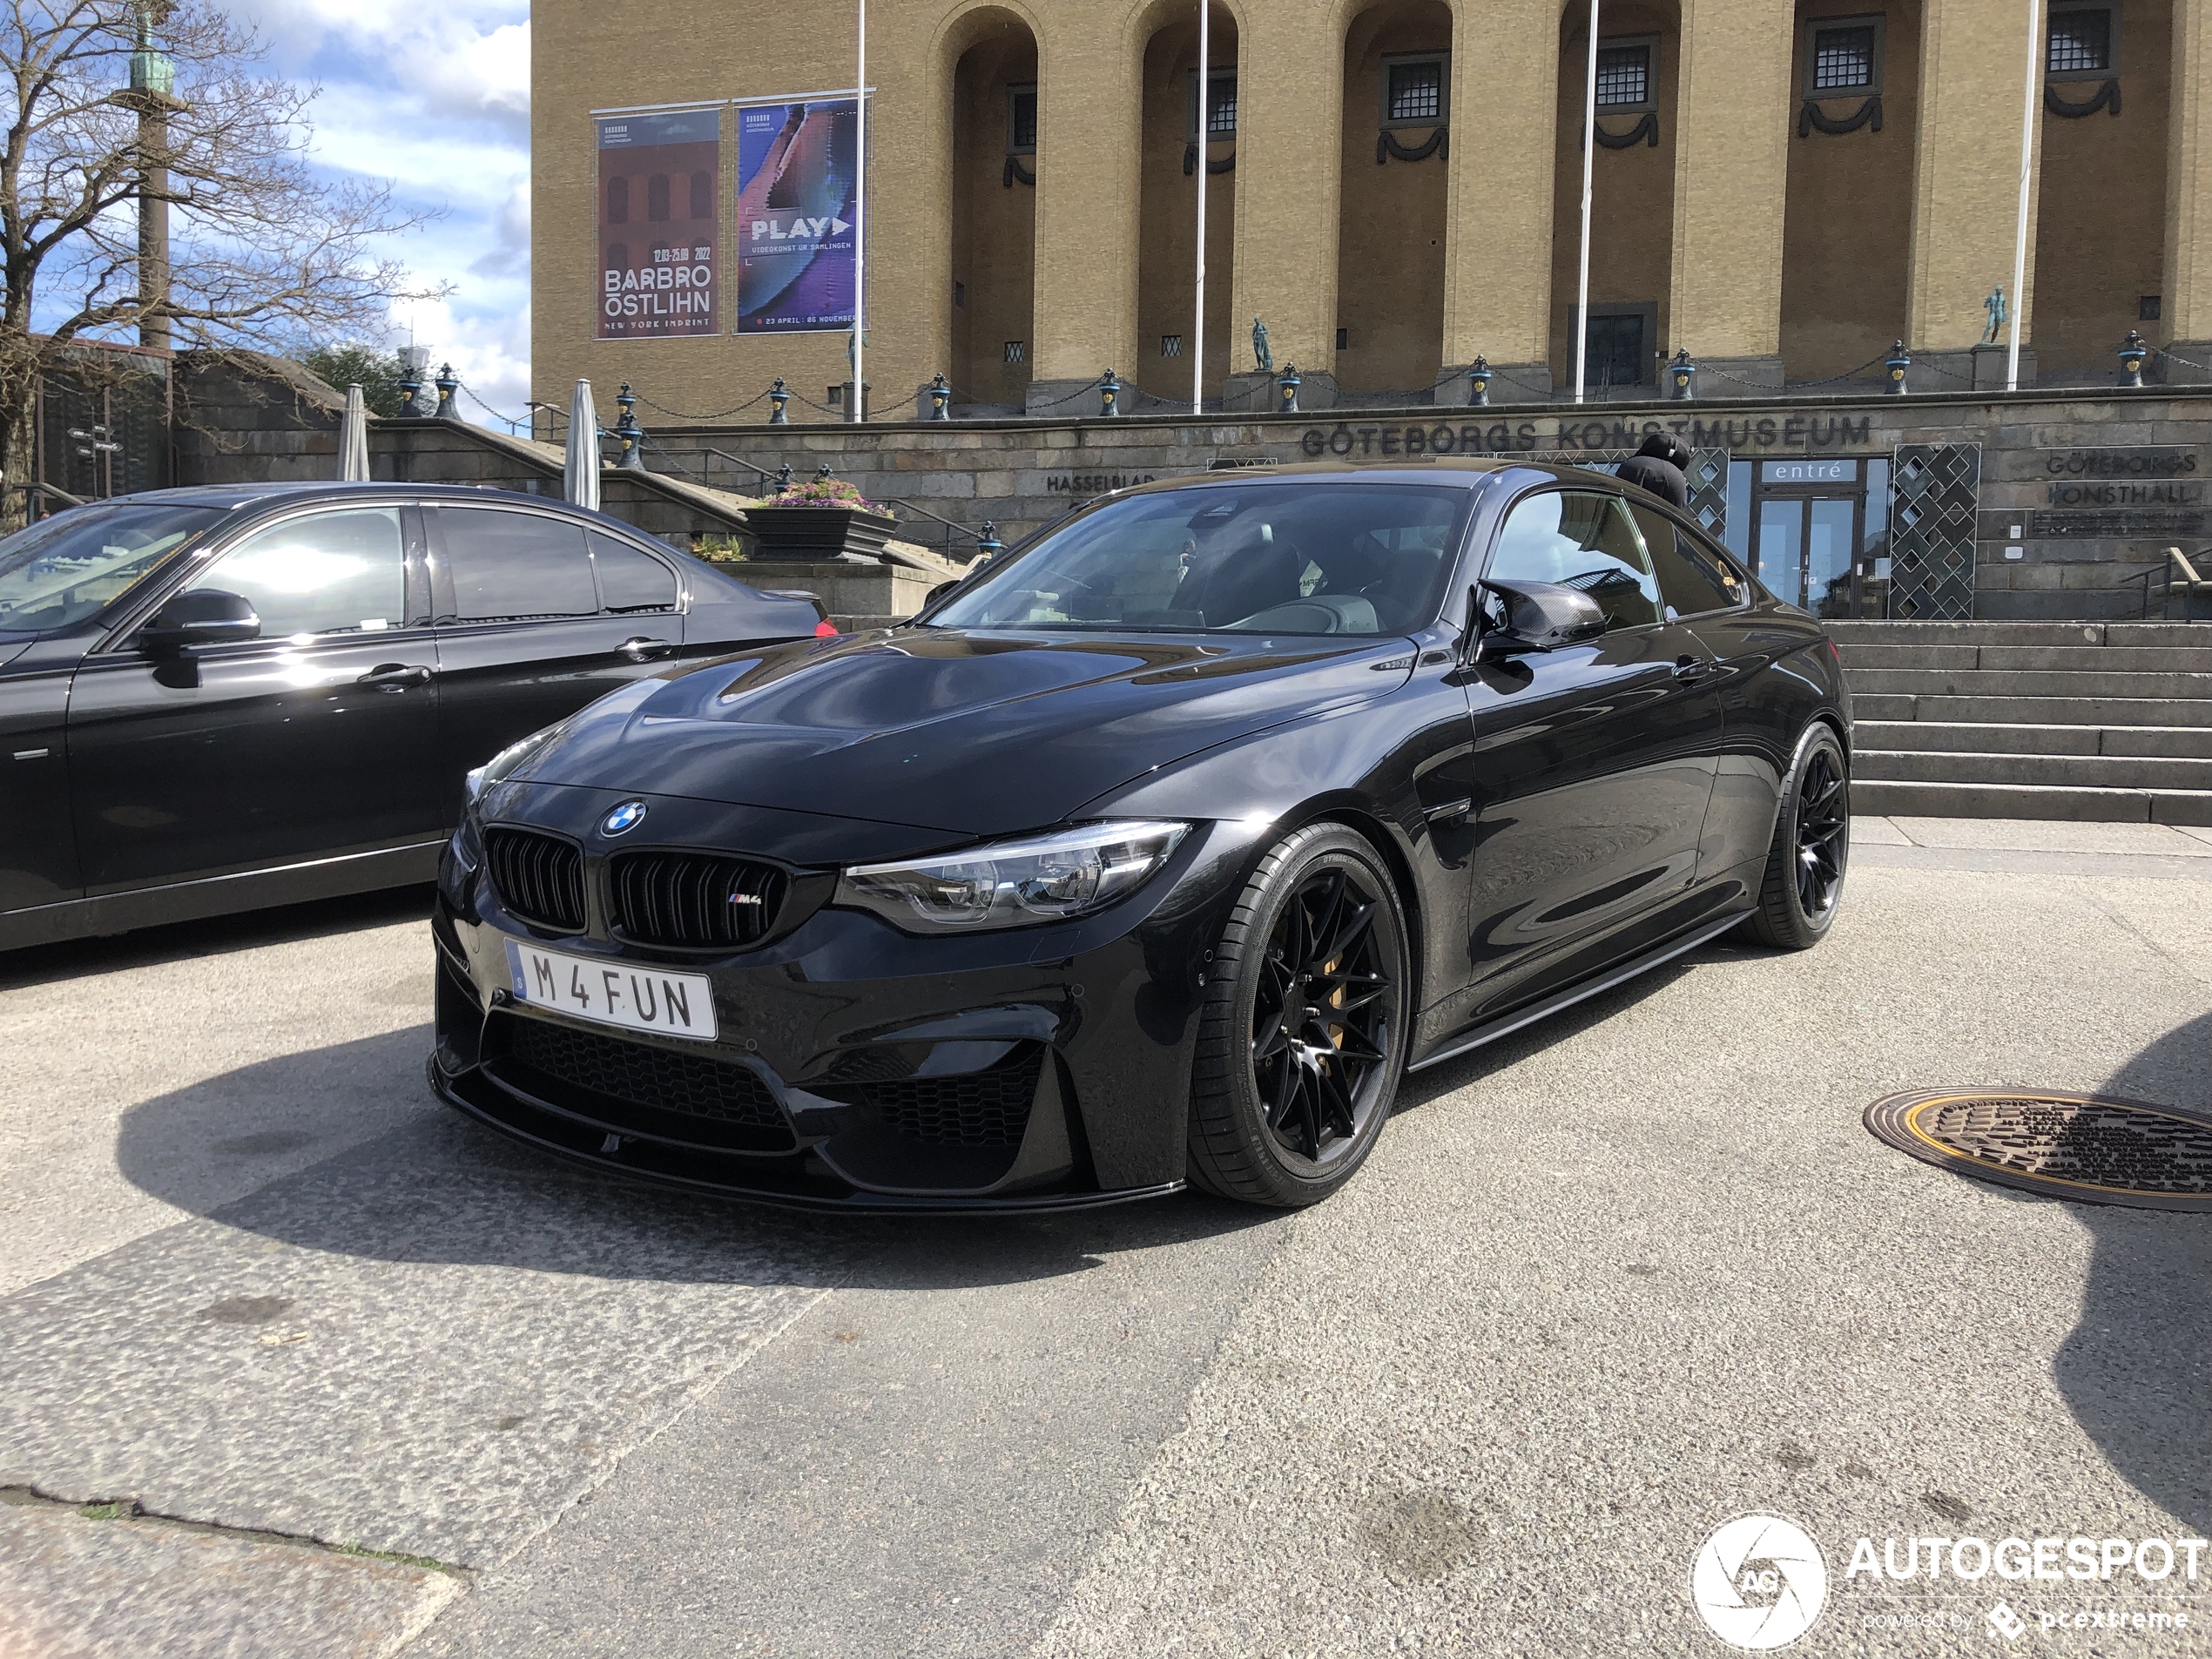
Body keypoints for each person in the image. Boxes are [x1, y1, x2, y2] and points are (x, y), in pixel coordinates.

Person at [1615, 432, 1689, 507]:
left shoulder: (1635, 462)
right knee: (1671, 515)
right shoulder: (1677, 472)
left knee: (1624, 505)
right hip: (1676, 479)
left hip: (1636, 467)